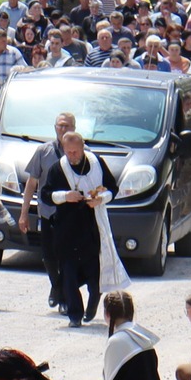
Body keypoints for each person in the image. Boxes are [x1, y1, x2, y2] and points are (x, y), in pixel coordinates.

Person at [39, 131, 121, 327]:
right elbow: (45, 194)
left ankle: (93, 303)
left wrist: (100, 199)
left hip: (91, 228)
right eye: (69, 152)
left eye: (76, 152)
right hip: (66, 229)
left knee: (94, 273)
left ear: (83, 148)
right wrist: (65, 196)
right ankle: (74, 315)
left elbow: (113, 188)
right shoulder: (58, 169)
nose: (73, 156)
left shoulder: (96, 163)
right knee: (68, 273)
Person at [18, 110, 76, 305]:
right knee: (49, 256)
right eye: (60, 125)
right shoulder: (43, 152)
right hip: (48, 214)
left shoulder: (82, 152)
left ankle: (64, 294)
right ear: (55, 128)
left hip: (72, 216)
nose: (63, 129)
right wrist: (24, 213)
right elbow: (31, 184)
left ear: (74, 129)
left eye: (67, 125)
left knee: (68, 257)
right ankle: (56, 286)